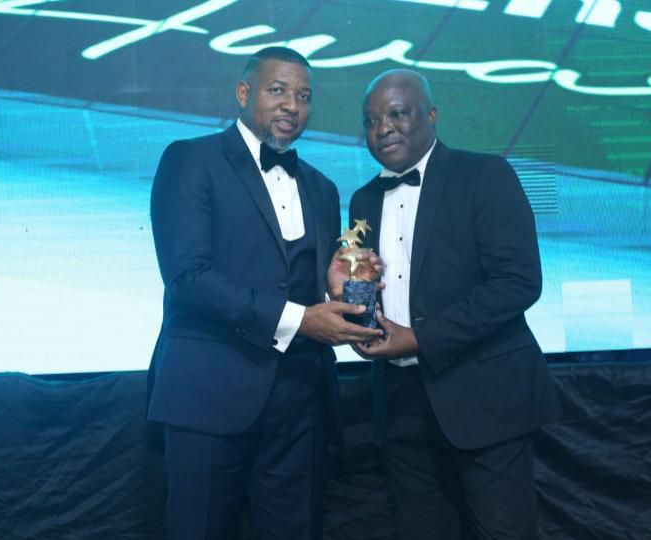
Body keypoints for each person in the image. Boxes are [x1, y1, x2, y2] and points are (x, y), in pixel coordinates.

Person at [148, 47, 382, 540]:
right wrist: (300, 319)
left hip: (302, 400)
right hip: (209, 393)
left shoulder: (322, 187)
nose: (291, 105)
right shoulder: (190, 159)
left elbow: (306, 281)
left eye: (303, 96)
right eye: (278, 90)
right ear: (243, 93)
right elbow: (188, 277)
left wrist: (334, 284)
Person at [347, 69, 561, 539]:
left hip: (484, 396)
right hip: (400, 404)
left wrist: (420, 337)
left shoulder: (485, 174)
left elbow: (519, 281)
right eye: (371, 120)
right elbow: (365, 287)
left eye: (397, 114)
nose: (383, 128)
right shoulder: (363, 200)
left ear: (431, 115)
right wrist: (351, 310)